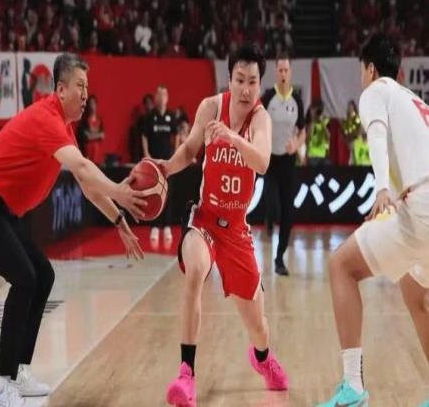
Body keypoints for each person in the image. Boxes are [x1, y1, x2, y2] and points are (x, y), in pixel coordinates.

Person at [0, 53, 146, 407]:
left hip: (5, 213)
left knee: (42, 276)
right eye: (80, 86)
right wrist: (119, 190)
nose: (86, 94)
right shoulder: (47, 119)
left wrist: (119, 219)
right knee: (25, 279)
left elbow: (86, 184)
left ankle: (19, 372)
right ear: (60, 89)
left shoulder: (63, 126)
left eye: (87, 87)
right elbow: (83, 167)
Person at [159, 43, 288, 407]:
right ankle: (186, 375)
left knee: (258, 327)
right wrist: (163, 169)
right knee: (195, 271)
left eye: (253, 81)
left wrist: (231, 137)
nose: (246, 89)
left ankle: (262, 357)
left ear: (260, 84)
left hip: (236, 230)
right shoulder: (210, 107)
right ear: (229, 79)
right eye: (240, 80)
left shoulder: (260, 119)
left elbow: (262, 162)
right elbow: (189, 151)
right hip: (204, 220)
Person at [317, 34, 429, 407]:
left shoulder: (375, 91)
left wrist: (382, 187)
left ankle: (353, 387)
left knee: (341, 266)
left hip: (420, 208)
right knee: (415, 293)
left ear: (369, 69)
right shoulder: (416, 101)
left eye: (361, 71)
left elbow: (376, 135)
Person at [261, 52, 306, 275]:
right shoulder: (268, 97)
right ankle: (269, 220)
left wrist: (296, 144)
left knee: (288, 212)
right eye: (280, 70)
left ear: (290, 72)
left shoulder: (297, 100)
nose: (283, 73)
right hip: (270, 160)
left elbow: (303, 130)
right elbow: (257, 123)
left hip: (288, 162)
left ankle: (279, 258)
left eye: (286, 70)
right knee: (272, 204)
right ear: (275, 72)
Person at [142, 85, 178, 243]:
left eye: (164, 95)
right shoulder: (150, 116)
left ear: (167, 98)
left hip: (168, 162)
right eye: (159, 95)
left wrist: (176, 153)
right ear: (155, 98)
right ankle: (155, 227)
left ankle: (167, 226)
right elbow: (144, 136)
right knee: (154, 194)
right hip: (154, 162)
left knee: (167, 193)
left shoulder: (171, 116)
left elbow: (176, 135)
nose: (161, 98)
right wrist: (146, 154)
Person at [76, 95, 105, 165]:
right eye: (90, 104)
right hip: (87, 154)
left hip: (97, 156)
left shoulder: (99, 121)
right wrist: (97, 135)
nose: (92, 106)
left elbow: (102, 135)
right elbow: (86, 137)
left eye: (93, 103)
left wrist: (91, 135)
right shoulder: (84, 121)